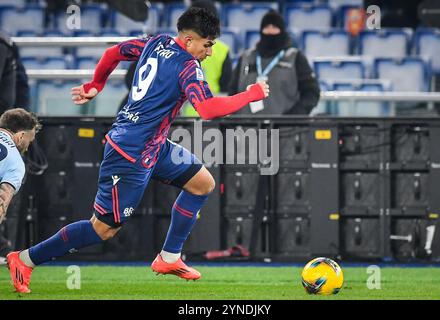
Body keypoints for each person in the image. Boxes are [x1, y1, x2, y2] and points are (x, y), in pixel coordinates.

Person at [6, 7, 269, 293]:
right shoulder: (188, 67)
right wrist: (250, 94)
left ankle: (169, 257)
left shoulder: (155, 41)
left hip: (152, 145)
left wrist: (97, 84)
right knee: (103, 229)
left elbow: (112, 54)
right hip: (130, 152)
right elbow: (207, 110)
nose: (209, 52)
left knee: (202, 183)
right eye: (207, 45)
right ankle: (25, 259)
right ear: (190, 40)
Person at [228, 10, 320, 115]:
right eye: (266, 27)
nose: (270, 31)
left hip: (285, 130)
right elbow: (232, 91)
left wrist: (294, 116)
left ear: (282, 31)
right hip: (247, 129)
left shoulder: (295, 57)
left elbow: (311, 92)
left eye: (274, 27)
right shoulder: (246, 58)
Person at [0, 109, 39, 226]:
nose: (27, 148)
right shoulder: (16, 162)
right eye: (29, 142)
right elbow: (2, 199)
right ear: (21, 136)